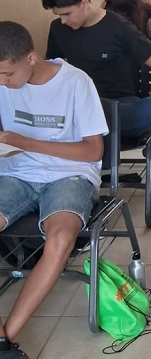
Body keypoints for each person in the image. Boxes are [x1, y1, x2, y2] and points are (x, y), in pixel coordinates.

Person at [0, 21, 108, 358]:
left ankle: (7, 337)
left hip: (69, 175)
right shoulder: (2, 80)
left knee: (60, 238)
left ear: (31, 58)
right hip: (16, 172)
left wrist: (23, 141)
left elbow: (93, 151)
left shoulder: (76, 83)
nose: (2, 82)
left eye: (7, 75)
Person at [43, 0, 151, 142]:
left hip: (119, 107)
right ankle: (91, 131)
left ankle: (90, 131)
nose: (63, 21)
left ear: (84, 3)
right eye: (59, 15)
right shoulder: (58, 29)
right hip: (81, 105)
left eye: (67, 14)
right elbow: (50, 70)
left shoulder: (118, 27)